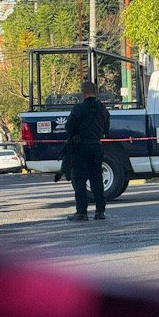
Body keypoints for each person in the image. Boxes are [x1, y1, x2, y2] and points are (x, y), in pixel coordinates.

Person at [65, 81, 110, 221]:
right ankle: (100, 211)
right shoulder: (102, 109)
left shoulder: (78, 109)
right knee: (96, 178)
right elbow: (106, 129)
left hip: (80, 147)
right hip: (96, 146)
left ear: (83, 93)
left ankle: (81, 212)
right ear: (95, 92)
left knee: (80, 179)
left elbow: (69, 127)